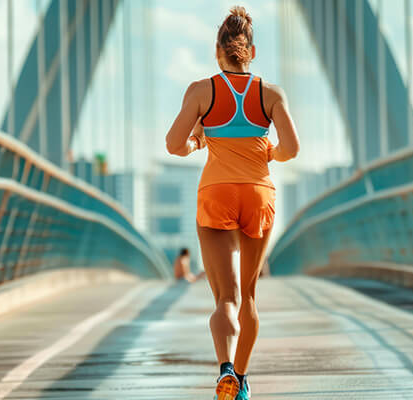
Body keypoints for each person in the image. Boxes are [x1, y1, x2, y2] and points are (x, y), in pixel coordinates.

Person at [164, 6, 299, 400]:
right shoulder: (270, 93)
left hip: (216, 192)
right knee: (250, 296)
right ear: (251, 52)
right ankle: (240, 380)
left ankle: (224, 368)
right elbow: (291, 148)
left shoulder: (202, 90)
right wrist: (269, 154)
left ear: (217, 52)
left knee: (225, 297)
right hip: (258, 193)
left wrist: (198, 141)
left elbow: (174, 145)